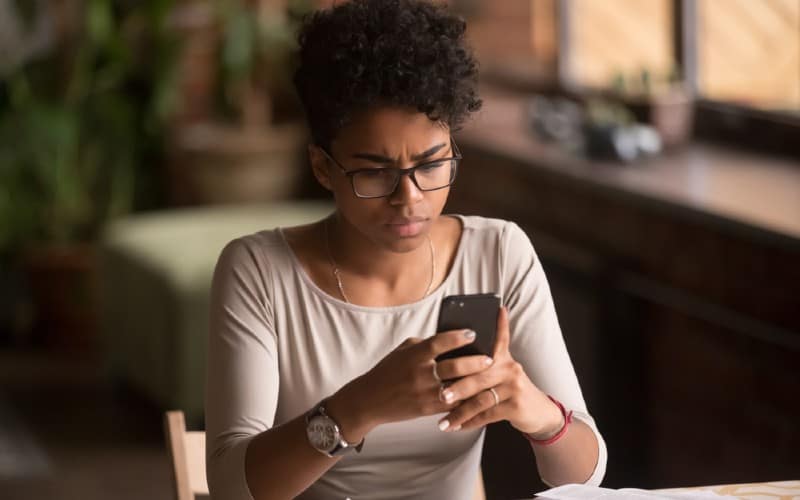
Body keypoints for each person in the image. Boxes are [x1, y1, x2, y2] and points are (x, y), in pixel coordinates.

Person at [205, 1, 607, 498]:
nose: (410, 198)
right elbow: (229, 488)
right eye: (375, 171)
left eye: (432, 164)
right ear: (323, 167)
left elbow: (585, 475)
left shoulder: (498, 253)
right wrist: (360, 406)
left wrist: (533, 408)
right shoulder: (260, 272)